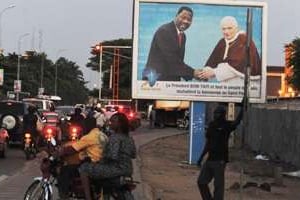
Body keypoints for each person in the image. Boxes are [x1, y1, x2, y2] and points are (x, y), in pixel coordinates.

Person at [79, 112, 137, 200]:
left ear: (119, 124)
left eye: (113, 122)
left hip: (115, 169)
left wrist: (100, 161)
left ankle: (88, 197)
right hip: (128, 169)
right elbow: (133, 155)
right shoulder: (128, 138)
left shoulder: (115, 138)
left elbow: (112, 156)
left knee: (84, 168)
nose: (110, 124)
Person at [197, 100, 244, 200]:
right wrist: (201, 158)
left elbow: (237, 122)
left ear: (223, 115)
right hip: (210, 159)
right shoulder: (212, 125)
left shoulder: (226, 126)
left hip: (220, 161)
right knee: (201, 182)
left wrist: (243, 109)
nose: (216, 115)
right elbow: (208, 143)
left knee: (218, 186)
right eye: (215, 113)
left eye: (218, 113)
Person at [142, 6, 202, 83]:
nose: (186, 21)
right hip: (155, 82)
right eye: (183, 17)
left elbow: (178, 61)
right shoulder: (164, 31)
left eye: (189, 20)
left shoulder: (183, 36)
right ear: (176, 16)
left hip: (170, 82)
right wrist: (193, 73)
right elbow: (172, 60)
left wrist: (195, 74)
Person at [56, 116, 108, 199]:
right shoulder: (103, 135)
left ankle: (65, 196)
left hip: (93, 165)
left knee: (65, 170)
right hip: (104, 164)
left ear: (87, 125)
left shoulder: (89, 137)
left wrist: (61, 152)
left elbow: (72, 149)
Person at [199, 16, 261, 84]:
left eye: (229, 28)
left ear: (236, 28)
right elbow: (212, 60)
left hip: (243, 84)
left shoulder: (244, 40)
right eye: (223, 29)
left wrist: (214, 72)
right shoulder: (222, 42)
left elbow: (237, 65)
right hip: (226, 86)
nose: (226, 32)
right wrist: (205, 72)